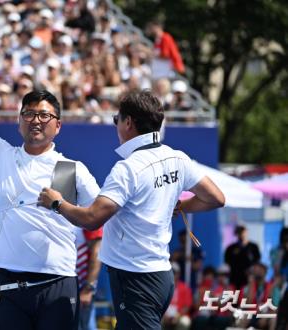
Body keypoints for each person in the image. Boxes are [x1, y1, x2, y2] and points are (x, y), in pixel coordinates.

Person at [0, 48, 100, 330]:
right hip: (9, 283)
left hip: (57, 281)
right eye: (28, 114)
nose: (35, 120)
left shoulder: (69, 169)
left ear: (58, 126)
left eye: (44, 115)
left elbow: (102, 214)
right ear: (18, 121)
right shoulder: (2, 155)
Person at [38, 90, 225, 329]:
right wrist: (179, 206)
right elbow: (216, 198)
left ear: (128, 123)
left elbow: (93, 219)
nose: (116, 125)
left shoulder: (128, 168)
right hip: (159, 274)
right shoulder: (177, 158)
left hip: (136, 278)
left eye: (117, 119)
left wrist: (57, 202)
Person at [76, 227, 103, 330]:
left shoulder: (86, 212)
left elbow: (96, 253)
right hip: (64, 286)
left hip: (81, 288)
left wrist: (88, 288)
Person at [224, 225, 261, 290]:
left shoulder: (253, 247)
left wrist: (251, 271)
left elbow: (257, 261)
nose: (241, 234)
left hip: (249, 279)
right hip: (235, 279)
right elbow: (227, 263)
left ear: (247, 232)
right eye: (239, 232)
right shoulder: (230, 248)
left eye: (243, 232)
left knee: (248, 297)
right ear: (236, 234)